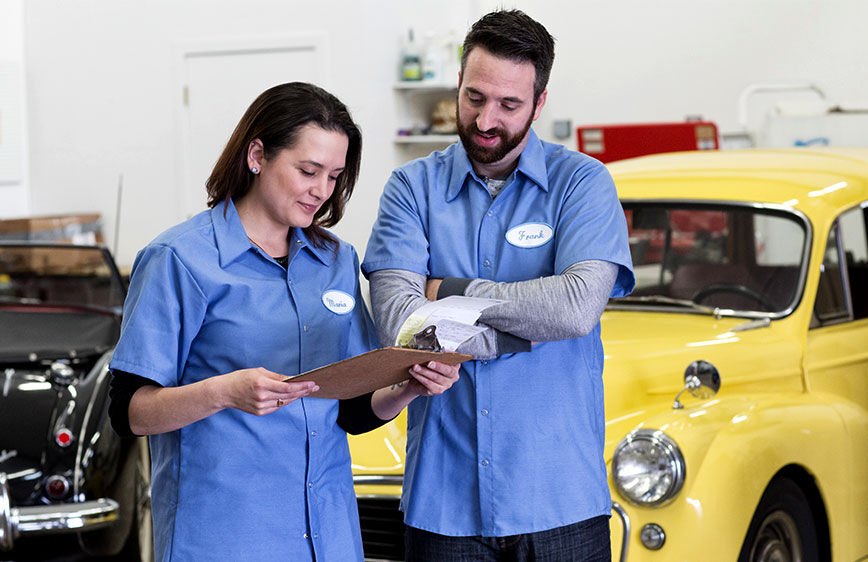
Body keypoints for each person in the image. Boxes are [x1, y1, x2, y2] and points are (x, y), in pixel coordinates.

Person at [107, 82, 460, 562]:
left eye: (335, 176)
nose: (322, 191)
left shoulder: (336, 260)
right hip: (225, 535)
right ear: (257, 155)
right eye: (308, 171)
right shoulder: (179, 259)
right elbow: (130, 413)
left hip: (328, 536)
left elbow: (351, 409)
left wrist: (408, 387)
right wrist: (223, 392)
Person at [362, 10, 634, 562]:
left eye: (509, 105)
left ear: (539, 102)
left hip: (561, 501)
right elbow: (402, 327)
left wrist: (447, 292)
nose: (486, 120)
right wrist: (521, 332)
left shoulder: (581, 182)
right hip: (444, 503)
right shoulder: (411, 189)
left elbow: (577, 310)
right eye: (473, 97)